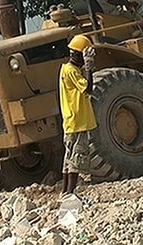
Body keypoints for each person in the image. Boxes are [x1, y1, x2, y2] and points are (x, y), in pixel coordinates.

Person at [59, 35, 97, 195]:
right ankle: (70, 193)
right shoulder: (72, 72)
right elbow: (88, 89)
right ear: (77, 54)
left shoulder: (65, 69)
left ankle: (65, 192)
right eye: (84, 55)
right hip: (77, 121)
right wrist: (89, 68)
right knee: (77, 158)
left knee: (68, 159)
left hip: (71, 121)